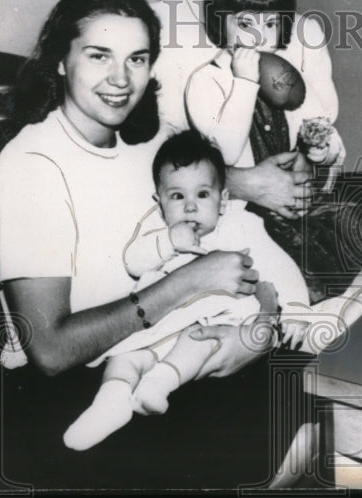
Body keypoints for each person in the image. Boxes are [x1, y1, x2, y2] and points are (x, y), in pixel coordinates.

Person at [0, 0, 304, 490]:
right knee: (299, 418)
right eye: (99, 55)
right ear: (61, 61)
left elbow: (233, 239)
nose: (121, 78)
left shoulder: (146, 150)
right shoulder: (33, 166)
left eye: (136, 58)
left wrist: (258, 330)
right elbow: (51, 351)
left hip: (167, 352)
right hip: (68, 396)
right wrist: (190, 283)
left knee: (312, 379)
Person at [63, 131, 310, 451]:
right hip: (159, 324)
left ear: (222, 199)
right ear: (160, 201)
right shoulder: (157, 230)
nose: (190, 207)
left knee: (200, 342)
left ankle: (159, 383)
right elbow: (134, 262)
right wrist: (168, 242)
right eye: (177, 197)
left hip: (209, 324)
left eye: (203, 195)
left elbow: (281, 268)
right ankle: (110, 403)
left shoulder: (240, 226)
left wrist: (297, 311)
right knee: (123, 358)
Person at [152, 0, 340, 221]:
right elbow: (140, 150)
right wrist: (237, 182)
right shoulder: (157, 25)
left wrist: (312, 161)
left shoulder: (302, 32)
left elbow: (325, 130)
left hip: (294, 216)